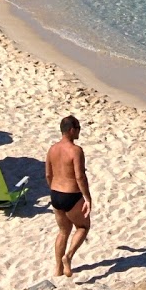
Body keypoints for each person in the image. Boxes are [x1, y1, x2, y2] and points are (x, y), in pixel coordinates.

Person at [46, 115, 91, 278]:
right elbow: (80, 176)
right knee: (83, 227)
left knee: (63, 231)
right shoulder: (76, 150)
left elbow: (48, 174)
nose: (79, 131)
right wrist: (87, 197)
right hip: (72, 195)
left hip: (56, 194)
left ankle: (57, 269)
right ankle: (68, 257)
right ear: (72, 130)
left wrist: (53, 189)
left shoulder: (52, 149)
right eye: (78, 128)